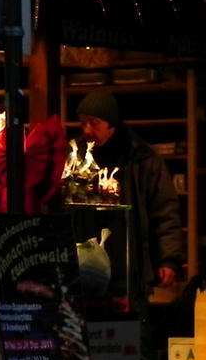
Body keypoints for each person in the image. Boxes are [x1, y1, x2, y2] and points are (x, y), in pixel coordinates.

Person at [75, 90, 185, 295]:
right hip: (85, 259)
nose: (87, 130)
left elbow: (164, 210)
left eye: (93, 123)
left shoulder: (142, 156)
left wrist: (168, 259)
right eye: (83, 124)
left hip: (127, 258)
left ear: (111, 123)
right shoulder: (76, 154)